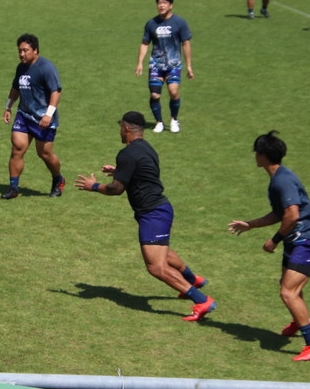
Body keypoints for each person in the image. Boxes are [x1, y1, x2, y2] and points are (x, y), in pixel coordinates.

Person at [74, 111, 215, 322]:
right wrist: (119, 171)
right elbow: (143, 172)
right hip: (160, 209)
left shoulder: (127, 154)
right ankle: (193, 279)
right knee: (163, 253)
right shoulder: (147, 148)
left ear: (126, 128)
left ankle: (202, 300)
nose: (120, 132)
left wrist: (93, 186)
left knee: (156, 267)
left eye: (121, 128)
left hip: (153, 214)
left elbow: (115, 189)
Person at [228, 131, 310, 362]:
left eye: (256, 152)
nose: (255, 156)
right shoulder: (279, 178)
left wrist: (274, 240)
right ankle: (300, 320)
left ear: (263, 156)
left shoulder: (282, 181)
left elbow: (292, 215)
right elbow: (279, 213)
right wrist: (250, 225)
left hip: (307, 241)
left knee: (287, 292)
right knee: (291, 288)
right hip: (297, 240)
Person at [1, 33, 64, 200]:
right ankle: (13, 187)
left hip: (43, 119)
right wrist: (8, 107)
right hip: (24, 115)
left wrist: (48, 115)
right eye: (20, 51)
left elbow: (56, 91)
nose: (22, 54)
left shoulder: (46, 67)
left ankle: (58, 179)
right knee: (17, 148)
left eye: (25, 50)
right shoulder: (21, 67)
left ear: (35, 50)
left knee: (45, 154)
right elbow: (15, 88)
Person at [135, 0, 193, 134]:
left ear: (170, 5)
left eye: (164, 3)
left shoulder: (179, 22)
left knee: (173, 92)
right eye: (159, 3)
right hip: (156, 64)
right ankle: (159, 122)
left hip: (173, 64)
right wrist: (140, 62)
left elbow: (186, 43)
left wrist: (189, 66)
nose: (161, 5)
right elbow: (145, 43)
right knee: (155, 95)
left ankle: (174, 119)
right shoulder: (151, 23)